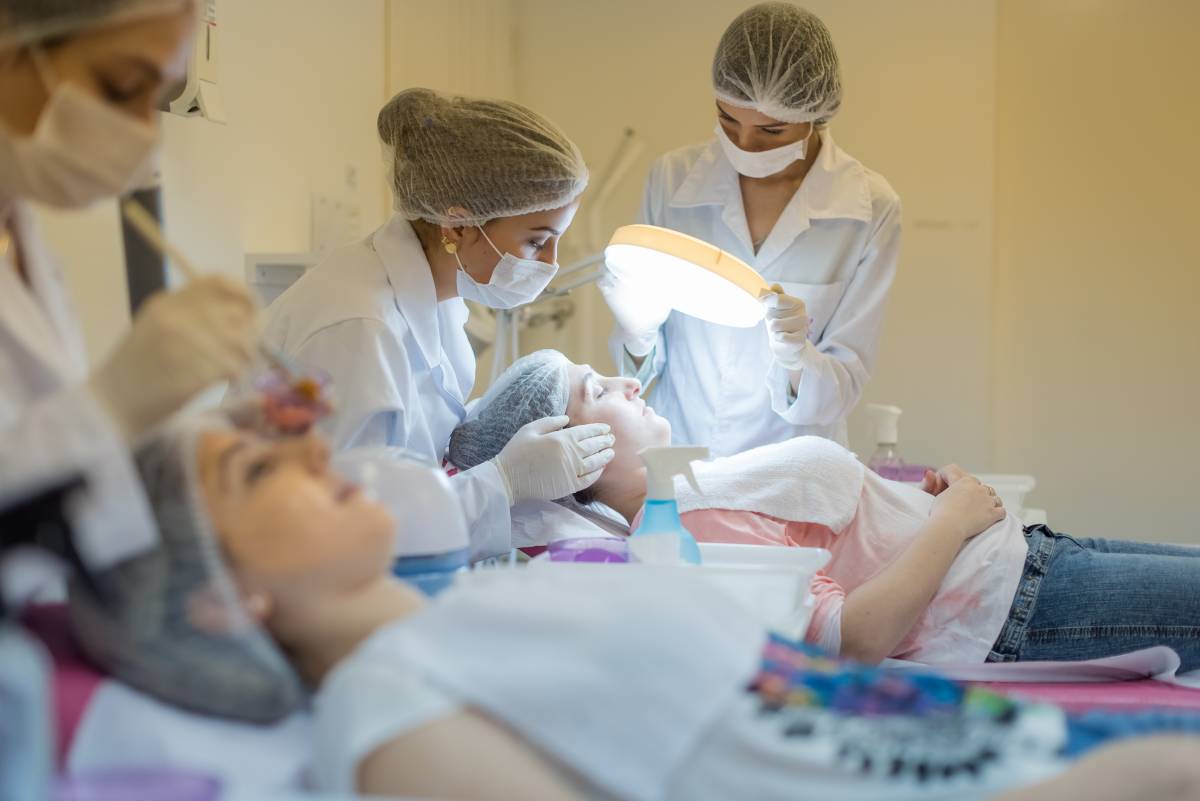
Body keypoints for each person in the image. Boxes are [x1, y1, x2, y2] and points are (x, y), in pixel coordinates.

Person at [71, 412, 1200, 801]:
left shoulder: (474, 612)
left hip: (1012, 742)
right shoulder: (383, 707)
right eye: (255, 471)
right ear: (223, 599)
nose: (313, 447)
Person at [450, 350, 1200, 671]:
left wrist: (917, 507)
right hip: (1013, 607)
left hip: (1026, 558)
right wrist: (951, 522)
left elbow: (840, 542)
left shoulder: (701, 492)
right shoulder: (692, 527)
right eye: (598, 391)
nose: (628, 382)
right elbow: (853, 638)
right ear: (570, 454)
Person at [257, 88, 614, 560]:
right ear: (458, 226)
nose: (550, 263)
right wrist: (504, 480)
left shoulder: (440, 301)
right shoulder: (358, 325)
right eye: (536, 241)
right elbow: (347, 521)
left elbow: (410, 464)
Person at [0, 0, 259, 573]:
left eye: (158, 96)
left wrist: (197, 441)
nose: (145, 135)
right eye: (122, 86)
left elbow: (37, 452)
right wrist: (110, 405)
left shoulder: (23, 237)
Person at [601, 2, 901, 454]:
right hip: (681, 456)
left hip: (792, 468)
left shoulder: (868, 208)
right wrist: (636, 330)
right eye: (728, 119)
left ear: (815, 112)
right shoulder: (673, 179)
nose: (744, 144)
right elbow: (639, 377)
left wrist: (798, 358)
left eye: (771, 131)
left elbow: (843, 384)